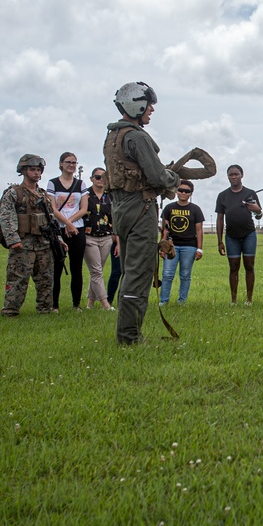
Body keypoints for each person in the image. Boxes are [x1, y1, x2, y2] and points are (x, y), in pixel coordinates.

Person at [104, 81, 180, 345]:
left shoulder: (113, 136)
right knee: (139, 274)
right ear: (136, 105)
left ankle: (128, 334)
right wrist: (172, 177)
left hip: (121, 210)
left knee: (129, 271)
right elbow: (157, 176)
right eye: (149, 106)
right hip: (141, 207)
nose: (151, 111)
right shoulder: (136, 137)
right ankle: (130, 338)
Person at [0, 154, 67, 316]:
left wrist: (59, 239)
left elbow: (51, 220)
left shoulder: (43, 195)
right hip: (23, 244)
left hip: (44, 243)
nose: (36, 173)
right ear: (23, 171)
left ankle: (45, 310)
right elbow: (6, 217)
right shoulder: (14, 193)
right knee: (17, 279)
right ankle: (10, 311)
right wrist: (13, 239)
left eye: (38, 170)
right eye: (32, 169)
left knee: (46, 279)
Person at [216, 164, 262, 305]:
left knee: (249, 266)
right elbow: (219, 219)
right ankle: (234, 300)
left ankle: (249, 299)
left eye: (236, 174)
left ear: (242, 175)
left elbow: (259, 215)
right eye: (231, 174)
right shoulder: (222, 196)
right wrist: (219, 241)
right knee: (234, 266)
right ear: (228, 177)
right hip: (231, 236)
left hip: (248, 234)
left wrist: (257, 210)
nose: (234, 177)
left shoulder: (250, 193)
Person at [48, 152, 88, 312]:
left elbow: (84, 208)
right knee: (57, 267)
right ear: (61, 164)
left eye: (74, 162)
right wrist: (66, 223)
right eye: (68, 162)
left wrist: (71, 224)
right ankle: (54, 304)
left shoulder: (80, 184)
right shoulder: (53, 184)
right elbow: (52, 208)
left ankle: (76, 304)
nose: (71, 165)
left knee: (76, 268)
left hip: (77, 229)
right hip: (58, 230)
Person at [159, 180, 205, 305]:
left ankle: (182, 301)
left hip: (189, 246)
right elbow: (165, 229)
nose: (183, 193)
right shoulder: (169, 208)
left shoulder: (195, 209)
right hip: (172, 246)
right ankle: (163, 301)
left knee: (185, 274)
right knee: (167, 274)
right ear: (176, 191)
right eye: (180, 190)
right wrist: (162, 247)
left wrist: (199, 249)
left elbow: (199, 230)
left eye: (187, 191)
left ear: (191, 193)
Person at [83, 167, 116, 310]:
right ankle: (105, 304)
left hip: (106, 237)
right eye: (97, 177)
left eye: (104, 176)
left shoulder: (110, 196)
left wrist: (117, 239)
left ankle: (90, 303)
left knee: (98, 270)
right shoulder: (85, 195)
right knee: (96, 271)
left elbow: (114, 218)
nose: (101, 179)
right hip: (89, 236)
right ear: (91, 178)